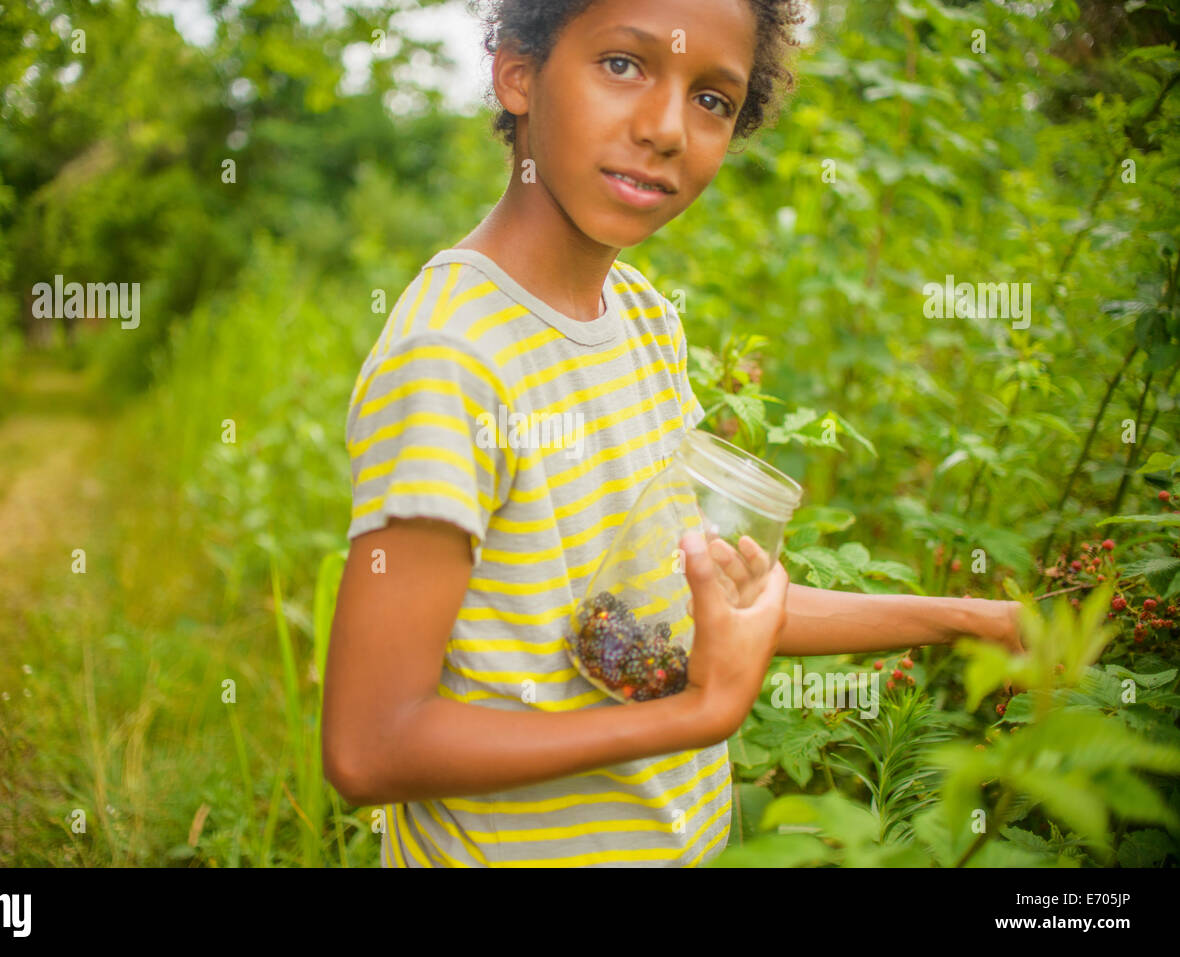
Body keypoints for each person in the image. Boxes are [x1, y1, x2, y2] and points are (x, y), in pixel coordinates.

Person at [323, 0, 1024, 867]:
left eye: (713, 100)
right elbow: (370, 746)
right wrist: (694, 715)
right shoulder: (453, 359)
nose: (665, 130)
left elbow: (697, 600)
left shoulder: (646, 319)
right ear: (518, 74)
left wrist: (966, 618)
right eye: (623, 64)